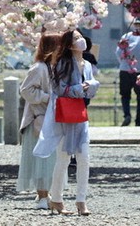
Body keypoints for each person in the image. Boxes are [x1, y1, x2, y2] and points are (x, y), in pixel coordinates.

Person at [33, 30, 100, 216]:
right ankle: (57, 199)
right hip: (64, 117)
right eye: (77, 38)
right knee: (62, 159)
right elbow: (60, 90)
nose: (81, 41)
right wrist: (80, 88)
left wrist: (92, 86)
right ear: (70, 45)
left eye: (81, 38)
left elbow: (92, 85)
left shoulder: (86, 64)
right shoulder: (61, 64)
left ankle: (81, 201)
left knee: (84, 158)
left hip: (80, 116)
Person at [17, 33, 61, 209]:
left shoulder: (51, 67)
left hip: (47, 117)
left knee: (49, 158)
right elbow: (25, 90)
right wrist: (47, 98)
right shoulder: (39, 68)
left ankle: (44, 194)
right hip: (38, 118)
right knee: (43, 158)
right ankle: (42, 195)